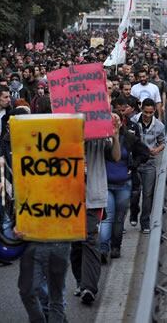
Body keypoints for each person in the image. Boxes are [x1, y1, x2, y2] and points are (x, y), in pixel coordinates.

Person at [72, 124, 121, 304]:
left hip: (92, 197)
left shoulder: (99, 137)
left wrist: (115, 136)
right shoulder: (64, 133)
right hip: (69, 198)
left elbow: (116, 157)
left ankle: (89, 288)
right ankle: (80, 280)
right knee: (76, 243)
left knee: (90, 239)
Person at [99, 113, 149, 260]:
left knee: (119, 219)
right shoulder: (101, 139)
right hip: (106, 184)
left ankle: (115, 247)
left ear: (121, 122)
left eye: (117, 120)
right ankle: (103, 248)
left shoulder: (128, 138)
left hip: (124, 184)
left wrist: (133, 165)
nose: (114, 123)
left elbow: (144, 153)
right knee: (108, 217)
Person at [132, 98, 165, 233]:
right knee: (134, 192)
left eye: (151, 113)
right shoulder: (133, 121)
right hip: (134, 161)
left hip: (149, 162)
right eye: (146, 112)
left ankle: (145, 222)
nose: (148, 115)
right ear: (142, 110)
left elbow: (162, 142)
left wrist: (156, 150)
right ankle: (134, 212)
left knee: (148, 194)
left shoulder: (159, 126)